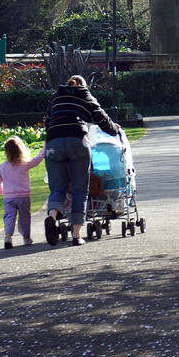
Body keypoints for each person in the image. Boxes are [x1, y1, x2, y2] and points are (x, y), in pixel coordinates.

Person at [44, 75, 120, 246]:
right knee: (79, 189)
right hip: (77, 141)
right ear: (84, 85)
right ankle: (77, 235)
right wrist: (115, 130)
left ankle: (52, 216)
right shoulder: (85, 95)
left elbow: (48, 120)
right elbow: (102, 119)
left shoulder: (56, 96)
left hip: (53, 142)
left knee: (57, 187)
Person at [0, 135, 45, 248]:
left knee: (9, 216)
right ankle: (26, 237)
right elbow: (37, 160)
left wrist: (1, 189)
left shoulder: (3, 166)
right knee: (25, 217)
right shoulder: (25, 164)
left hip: (8, 197)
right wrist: (44, 149)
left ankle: (8, 236)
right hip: (23, 196)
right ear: (21, 150)